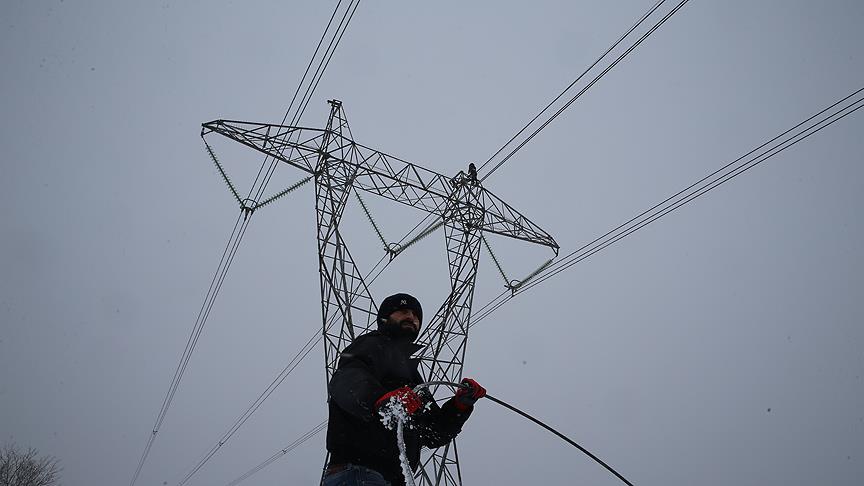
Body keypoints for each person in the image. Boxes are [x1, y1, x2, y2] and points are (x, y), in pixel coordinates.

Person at [323, 293, 485, 486]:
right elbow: (347, 379)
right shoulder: (371, 344)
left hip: (393, 479)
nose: (412, 317)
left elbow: (432, 433)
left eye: (416, 315)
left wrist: (459, 406)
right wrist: (381, 399)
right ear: (385, 318)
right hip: (358, 472)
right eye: (403, 311)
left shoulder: (411, 375)